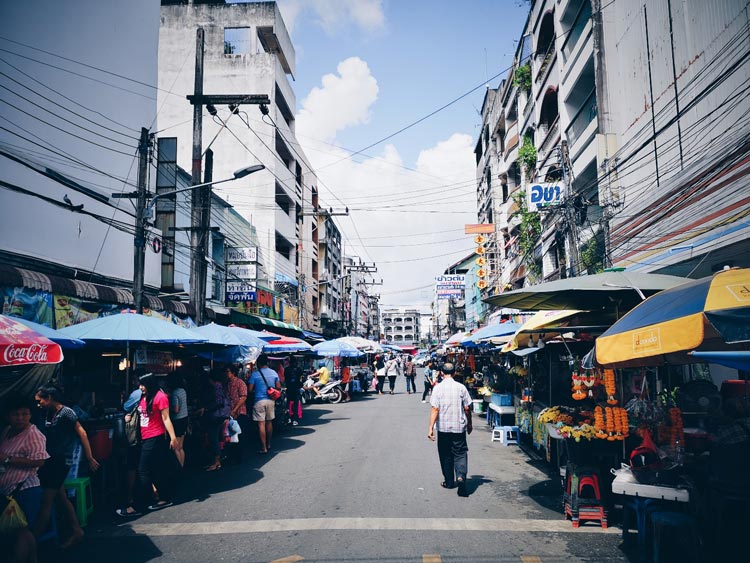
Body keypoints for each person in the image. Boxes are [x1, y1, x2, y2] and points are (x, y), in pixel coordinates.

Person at [34, 385, 99, 548]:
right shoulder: (48, 412)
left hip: (61, 460)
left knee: (47, 501)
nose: (38, 404)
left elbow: (82, 433)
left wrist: (90, 457)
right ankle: (77, 530)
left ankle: (32, 540)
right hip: (51, 459)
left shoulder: (67, 412)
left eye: (40, 400)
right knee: (62, 497)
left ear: (48, 398)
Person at [116, 373, 178, 517]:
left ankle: (140, 504)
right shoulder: (144, 397)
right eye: (140, 384)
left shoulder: (160, 397)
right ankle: (163, 498)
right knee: (154, 469)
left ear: (150, 383)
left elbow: (166, 418)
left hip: (155, 437)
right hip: (143, 437)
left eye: (143, 384)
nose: (140, 387)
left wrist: (173, 437)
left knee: (143, 470)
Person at [0, 392, 49, 563]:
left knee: (21, 529)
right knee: (22, 530)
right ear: (8, 416)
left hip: (25, 489)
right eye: (16, 414)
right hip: (9, 490)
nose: (20, 418)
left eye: (25, 414)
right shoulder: (7, 431)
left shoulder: (32, 433)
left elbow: (39, 461)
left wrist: (8, 459)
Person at [427, 362, 473, 497]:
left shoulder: (438, 388)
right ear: (454, 373)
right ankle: (460, 477)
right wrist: (469, 423)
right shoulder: (461, 388)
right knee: (460, 453)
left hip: (443, 428)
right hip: (459, 427)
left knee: (445, 454)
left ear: (441, 372)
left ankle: (449, 481)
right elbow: (467, 408)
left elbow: (435, 409)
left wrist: (430, 428)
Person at [248, 353, 281, 454]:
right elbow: (278, 387)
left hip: (259, 401)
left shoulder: (255, 374)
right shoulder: (274, 373)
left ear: (258, 363)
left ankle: (263, 447)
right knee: (269, 422)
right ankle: (269, 443)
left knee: (261, 424)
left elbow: (250, 390)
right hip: (270, 401)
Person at [201, 369, 230, 471]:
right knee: (215, 437)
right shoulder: (221, 385)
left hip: (215, 416)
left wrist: (206, 408)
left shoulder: (217, 386)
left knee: (213, 438)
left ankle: (217, 462)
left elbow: (219, 402)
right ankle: (216, 460)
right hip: (218, 416)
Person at [224, 364, 249, 463]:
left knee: (238, 435)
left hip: (239, 412)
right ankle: (231, 455)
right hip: (229, 413)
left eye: (228, 372)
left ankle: (238, 456)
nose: (226, 374)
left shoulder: (240, 383)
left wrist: (235, 409)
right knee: (229, 435)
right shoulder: (226, 384)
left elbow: (243, 397)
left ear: (233, 372)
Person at [167, 371, 188, 467]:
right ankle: (182, 466)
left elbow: (176, 409)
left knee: (175, 448)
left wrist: (167, 407)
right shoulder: (183, 390)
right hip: (184, 419)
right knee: (181, 447)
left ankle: (179, 467)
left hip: (177, 421)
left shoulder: (175, 393)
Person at [285, 357, 304, 426]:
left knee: (287, 405)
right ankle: (295, 420)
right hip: (296, 389)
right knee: (295, 405)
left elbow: (285, 378)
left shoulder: (286, 369)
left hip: (289, 388)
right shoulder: (298, 369)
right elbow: (301, 377)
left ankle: (288, 418)